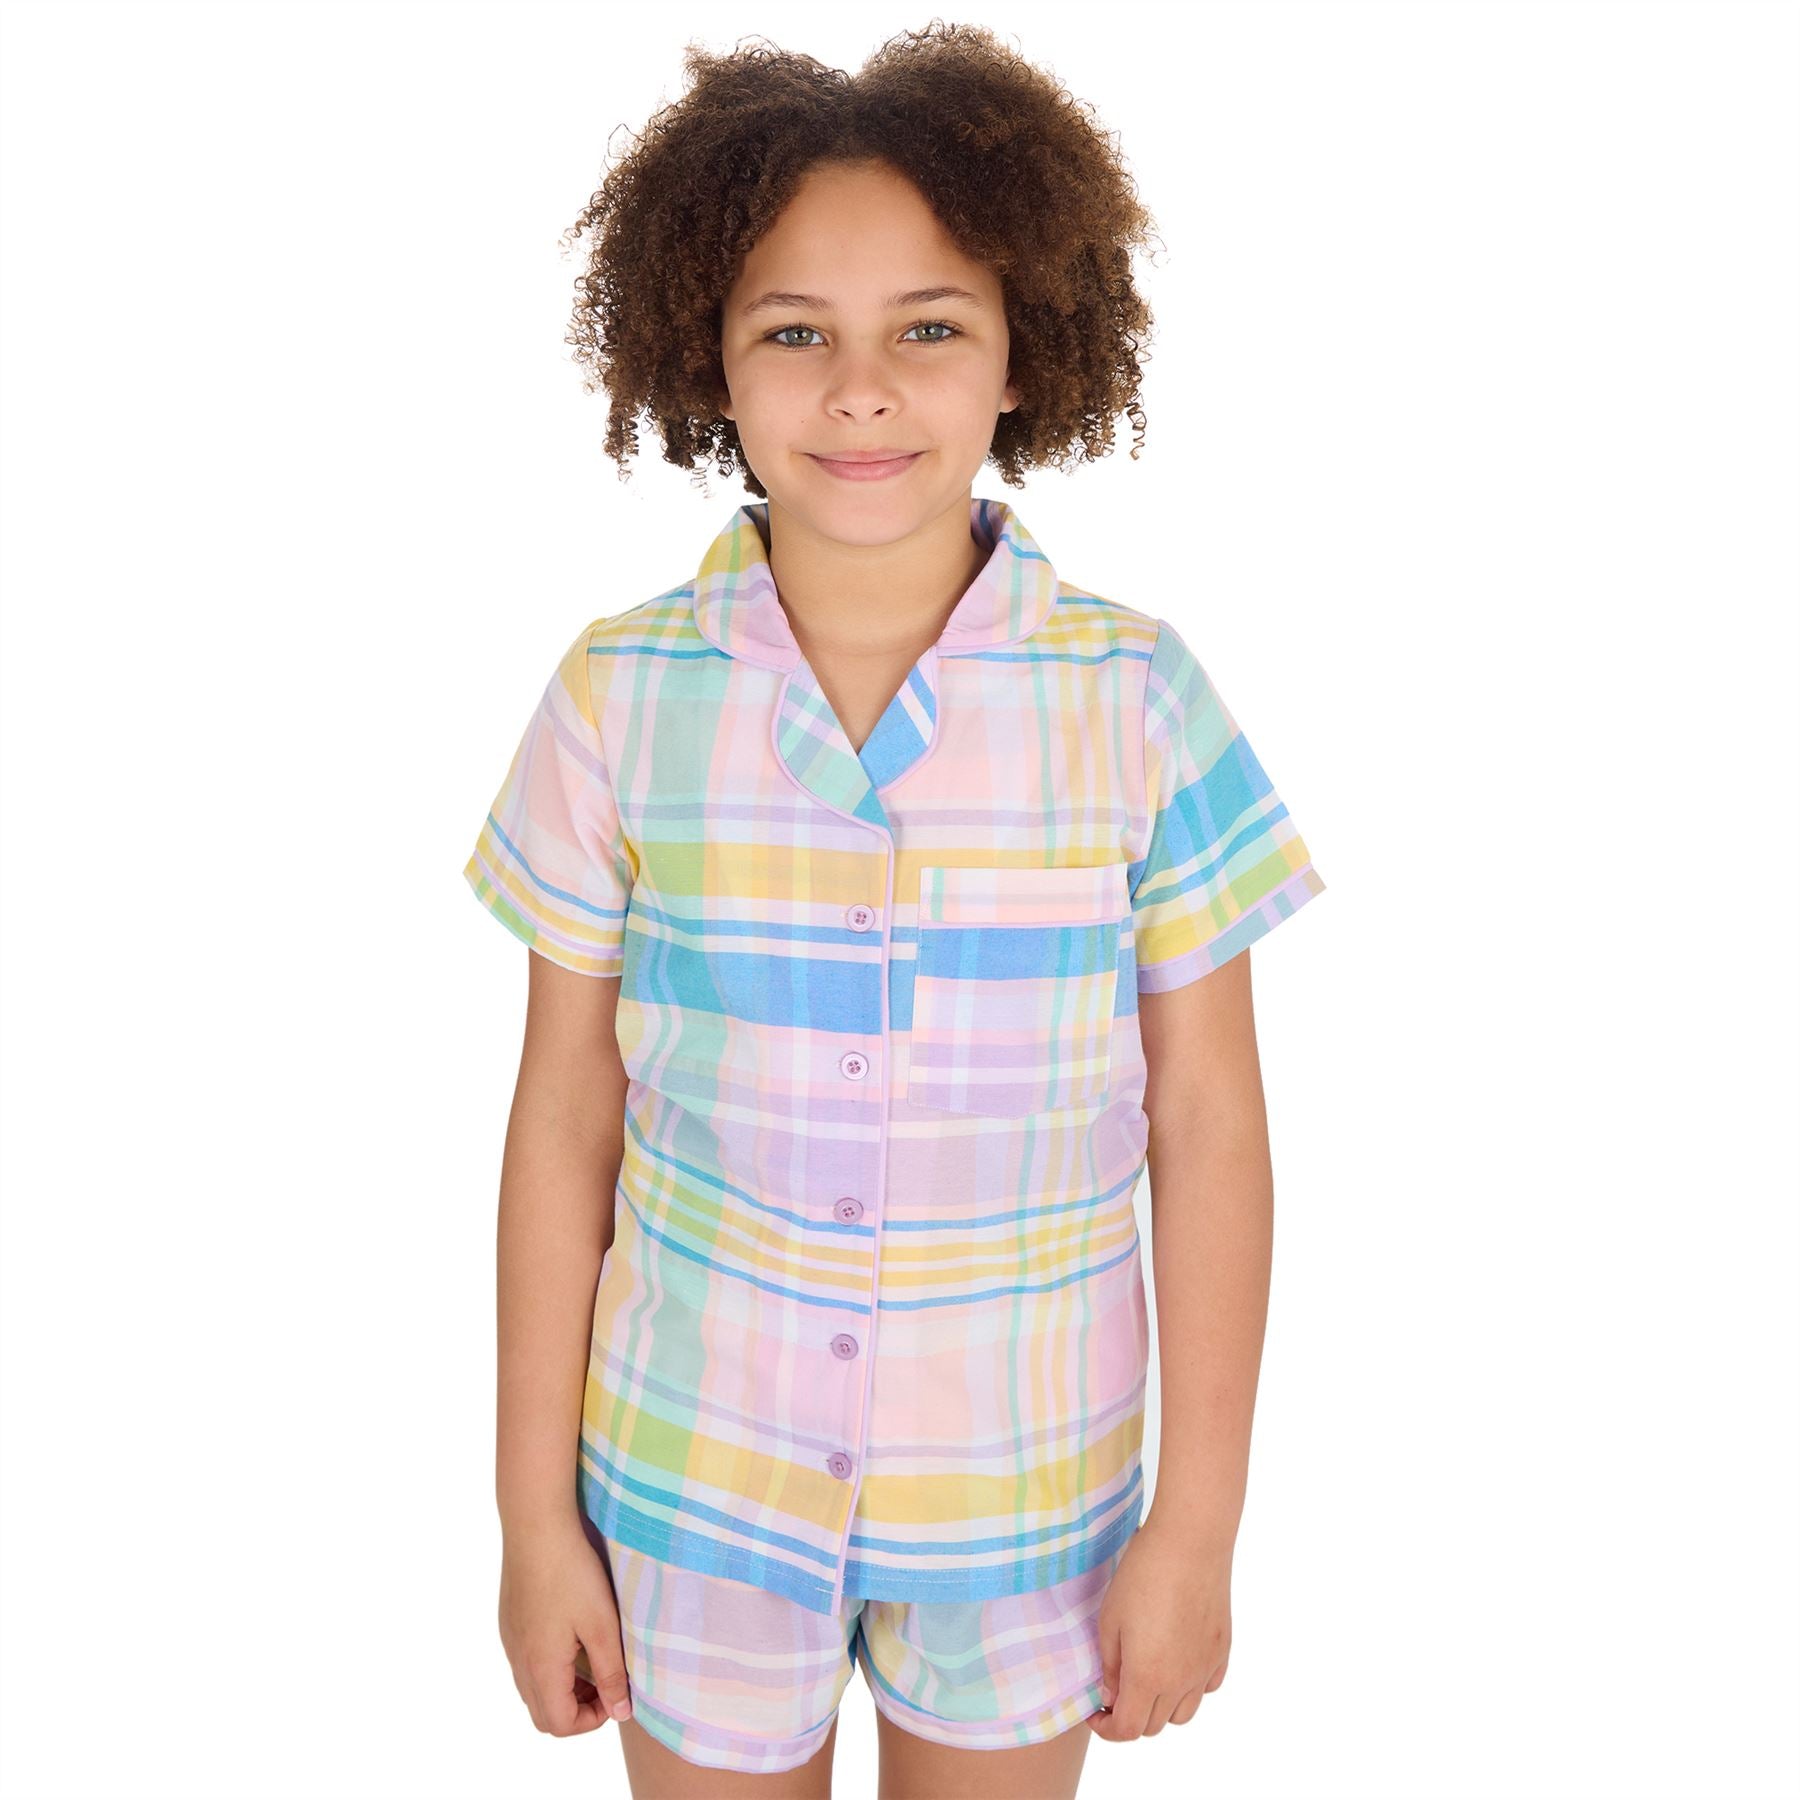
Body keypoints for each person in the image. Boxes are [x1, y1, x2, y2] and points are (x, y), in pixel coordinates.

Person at [461, 23, 1326, 1798]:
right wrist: (532, 1520)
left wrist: (1199, 1529)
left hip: (1027, 1507)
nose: (862, 391)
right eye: (797, 333)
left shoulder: (1139, 698)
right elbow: (563, 1119)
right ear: (706, 356)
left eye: (929, 329)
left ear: (1023, 355)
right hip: (692, 1494)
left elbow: (1211, 1123)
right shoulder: (618, 696)